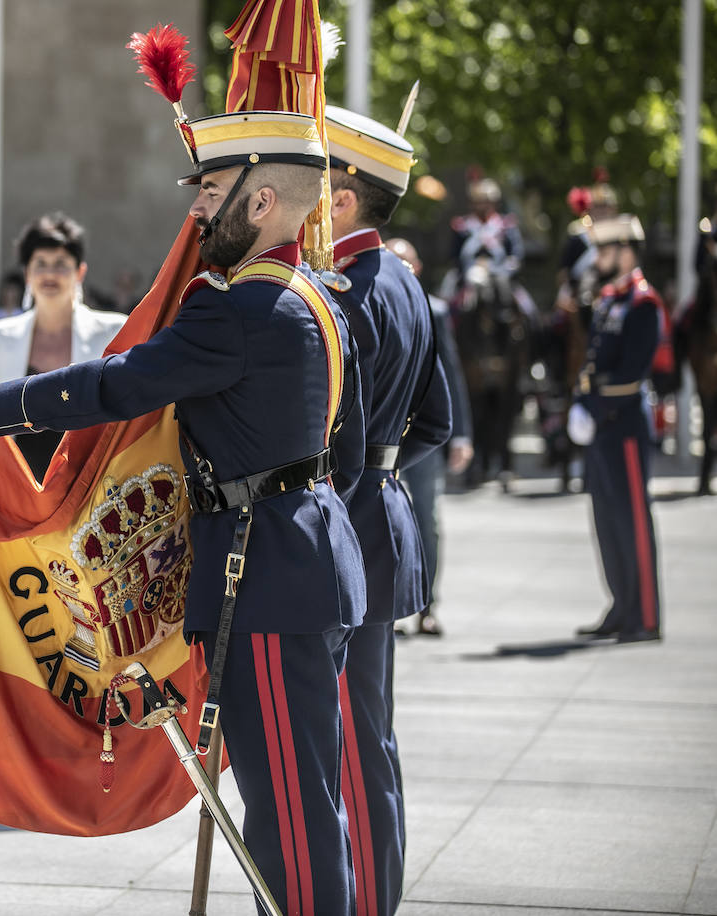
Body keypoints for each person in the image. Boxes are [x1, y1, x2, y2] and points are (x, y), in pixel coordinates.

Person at [0, 110, 368, 916]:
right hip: (312, 560)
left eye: (208, 192)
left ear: (262, 201)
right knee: (313, 798)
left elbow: (117, 384)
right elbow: (355, 452)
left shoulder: (234, 310)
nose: (195, 211)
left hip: (261, 575)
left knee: (289, 819)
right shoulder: (318, 297)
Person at [324, 106, 452, 916]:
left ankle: (364, 901)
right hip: (383, 513)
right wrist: (382, 472)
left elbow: (333, 434)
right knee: (368, 728)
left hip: (343, 529)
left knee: (344, 733)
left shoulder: (345, 290)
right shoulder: (406, 282)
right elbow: (435, 421)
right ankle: (378, 893)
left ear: (343, 198)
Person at [0, 213, 127, 479]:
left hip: (94, 482)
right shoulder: (1, 335)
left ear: (79, 271)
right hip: (22, 485)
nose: (50, 273)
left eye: (61, 263)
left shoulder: (114, 330)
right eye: (40, 264)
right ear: (27, 273)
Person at [573, 216, 662, 643]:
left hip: (624, 425)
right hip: (602, 428)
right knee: (607, 522)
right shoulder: (609, 300)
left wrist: (595, 406)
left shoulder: (643, 303)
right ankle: (620, 606)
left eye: (606, 250)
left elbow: (632, 373)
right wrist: (581, 401)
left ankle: (644, 615)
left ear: (626, 250)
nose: (600, 259)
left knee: (633, 523)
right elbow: (593, 364)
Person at [385, 238, 474, 637]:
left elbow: (451, 372)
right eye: (393, 260)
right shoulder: (374, 300)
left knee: (425, 518)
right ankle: (392, 603)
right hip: (380, 435)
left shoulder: (434, 309)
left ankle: (427, 604)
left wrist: (462, 435)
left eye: (407, 261)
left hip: (420, 433)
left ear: (418, 267)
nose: (401, 267)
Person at [449, 177, 524, 281]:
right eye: (479, 202)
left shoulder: (506, 225)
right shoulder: (462, 226)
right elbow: (454, 256)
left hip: (501, 274)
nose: (483, 206)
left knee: (521, 297)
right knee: (448, 291)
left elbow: (515, 255)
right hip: (468, 275)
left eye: (487, 202)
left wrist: (505, 271)